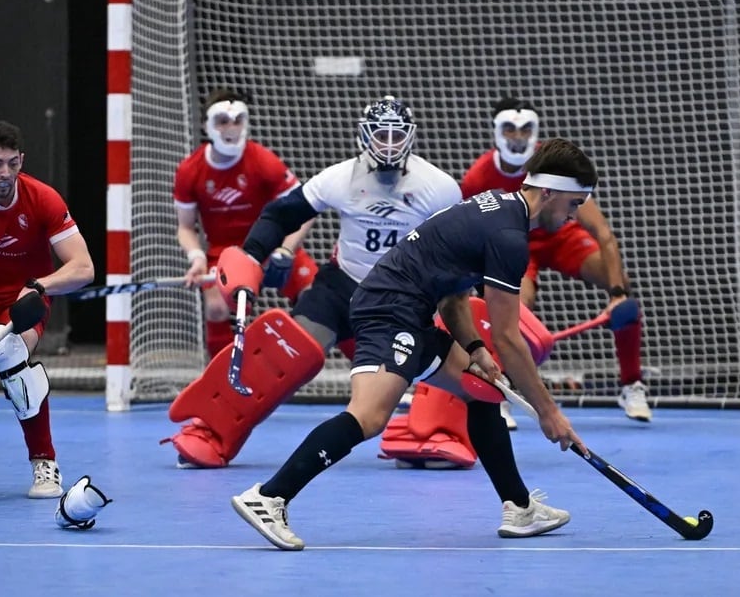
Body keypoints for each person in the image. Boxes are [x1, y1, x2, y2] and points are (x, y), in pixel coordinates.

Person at [227, 137, 593, 550]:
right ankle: (270, 497)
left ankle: (519, 507)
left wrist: (474, 349)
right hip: (389, 310)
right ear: (548, 191)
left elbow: (454, 296)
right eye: (573, 204)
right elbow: (509, 340)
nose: (573, 216)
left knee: (484, 392)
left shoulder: (496, 206)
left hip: (411, 310)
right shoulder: (509, 236)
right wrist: (550, 414)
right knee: (368, 417)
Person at [163, 95, 462, 468]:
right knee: (284, 353)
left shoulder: (440, 187)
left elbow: (463, 245)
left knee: (447, 366)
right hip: (343, 286)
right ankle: (211, 429)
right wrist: (253, 256)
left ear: (410, 137)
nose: (387, 144)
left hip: (401, 298)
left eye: (395, 135)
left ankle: (433, 434)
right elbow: (280, 214)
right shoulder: (339, 178)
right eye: (379, 134)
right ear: (363, 137)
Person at [460, 97, 651, 424]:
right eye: (510, 129)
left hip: (560, 235)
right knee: (515, 307)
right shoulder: (477, 179)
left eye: (525, 130)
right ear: (496, 131)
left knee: (621, 287)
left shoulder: (554, 165)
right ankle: (500, 388)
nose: (517, 138)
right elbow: (471, 241)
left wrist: (618, 293)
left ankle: (632, 384)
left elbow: (603, 232)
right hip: (514, 244)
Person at [0, 121, 95, 497]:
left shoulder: (42, 199)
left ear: (22, 160)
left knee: (10, 353)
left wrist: (39, 286)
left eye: (12, 163)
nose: (5, 174)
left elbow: (83, 267)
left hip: (22, 299)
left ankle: (44, 463)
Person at [173, 88, 317, 359]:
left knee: (317, 297)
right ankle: (222, 380)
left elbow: (305, 211)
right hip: (225, 254)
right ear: (207, 126)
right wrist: (196, 257)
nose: (231, 128)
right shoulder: (189, 170)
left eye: (238, 120)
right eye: (223, 121)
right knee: (215, 307)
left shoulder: (264, 161)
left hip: (270, 246)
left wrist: (285, 251)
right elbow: (185, 227)